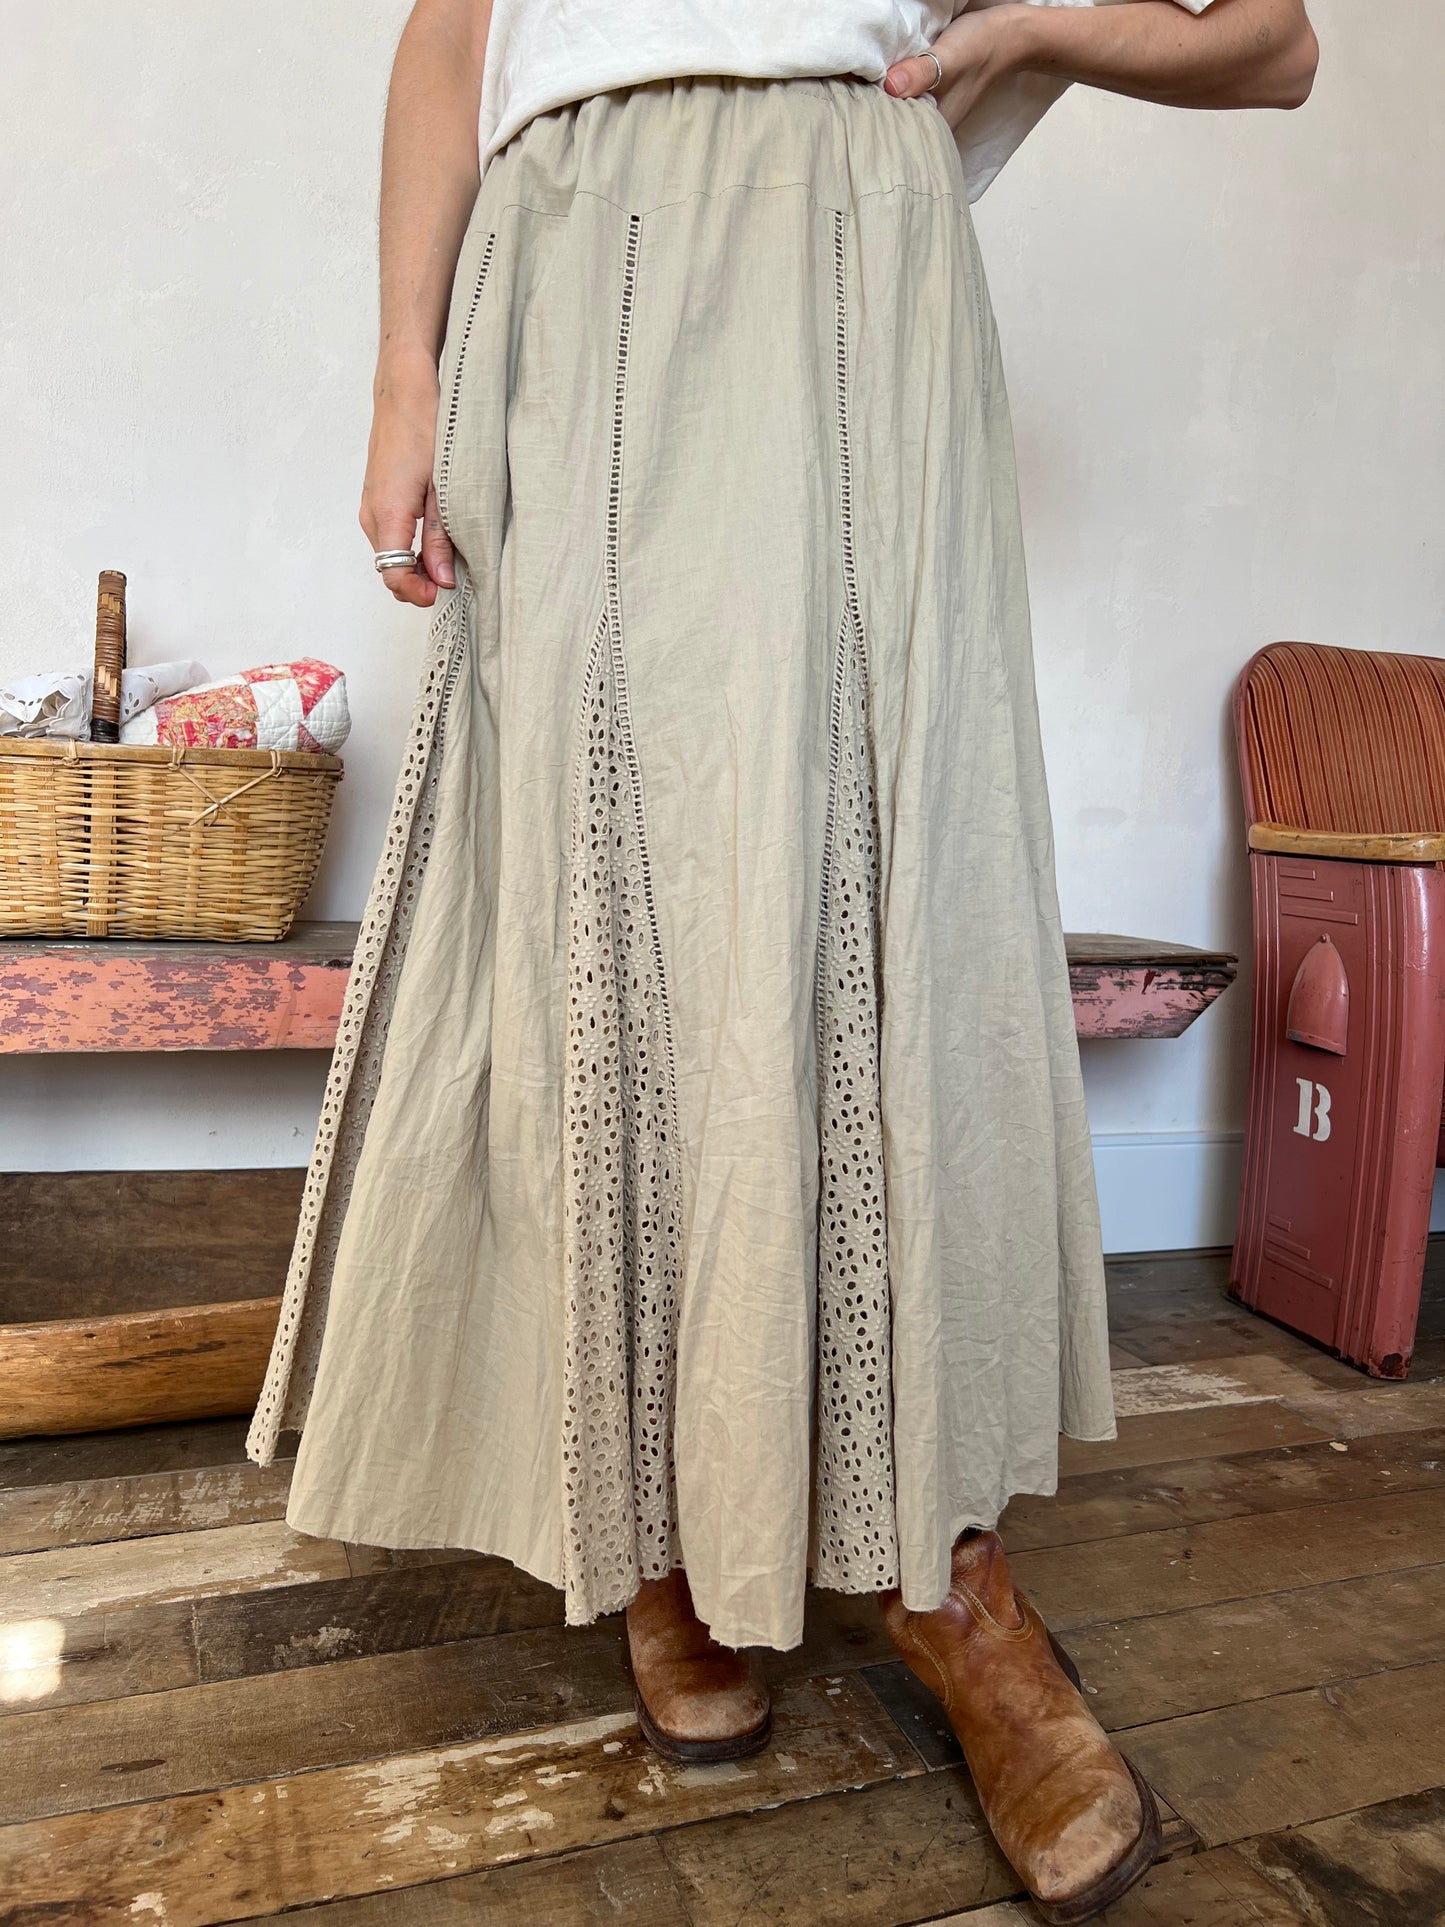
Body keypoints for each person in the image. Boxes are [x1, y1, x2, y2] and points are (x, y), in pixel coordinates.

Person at [245, 4, 1317, 1919]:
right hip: (568, 260)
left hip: (852, 246)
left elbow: (1271, 41)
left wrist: (1028, 23)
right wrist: (404, 370)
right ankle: (657, 1529)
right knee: (602, 883)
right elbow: (452, 29)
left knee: (889, 873)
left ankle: (944, 1574)